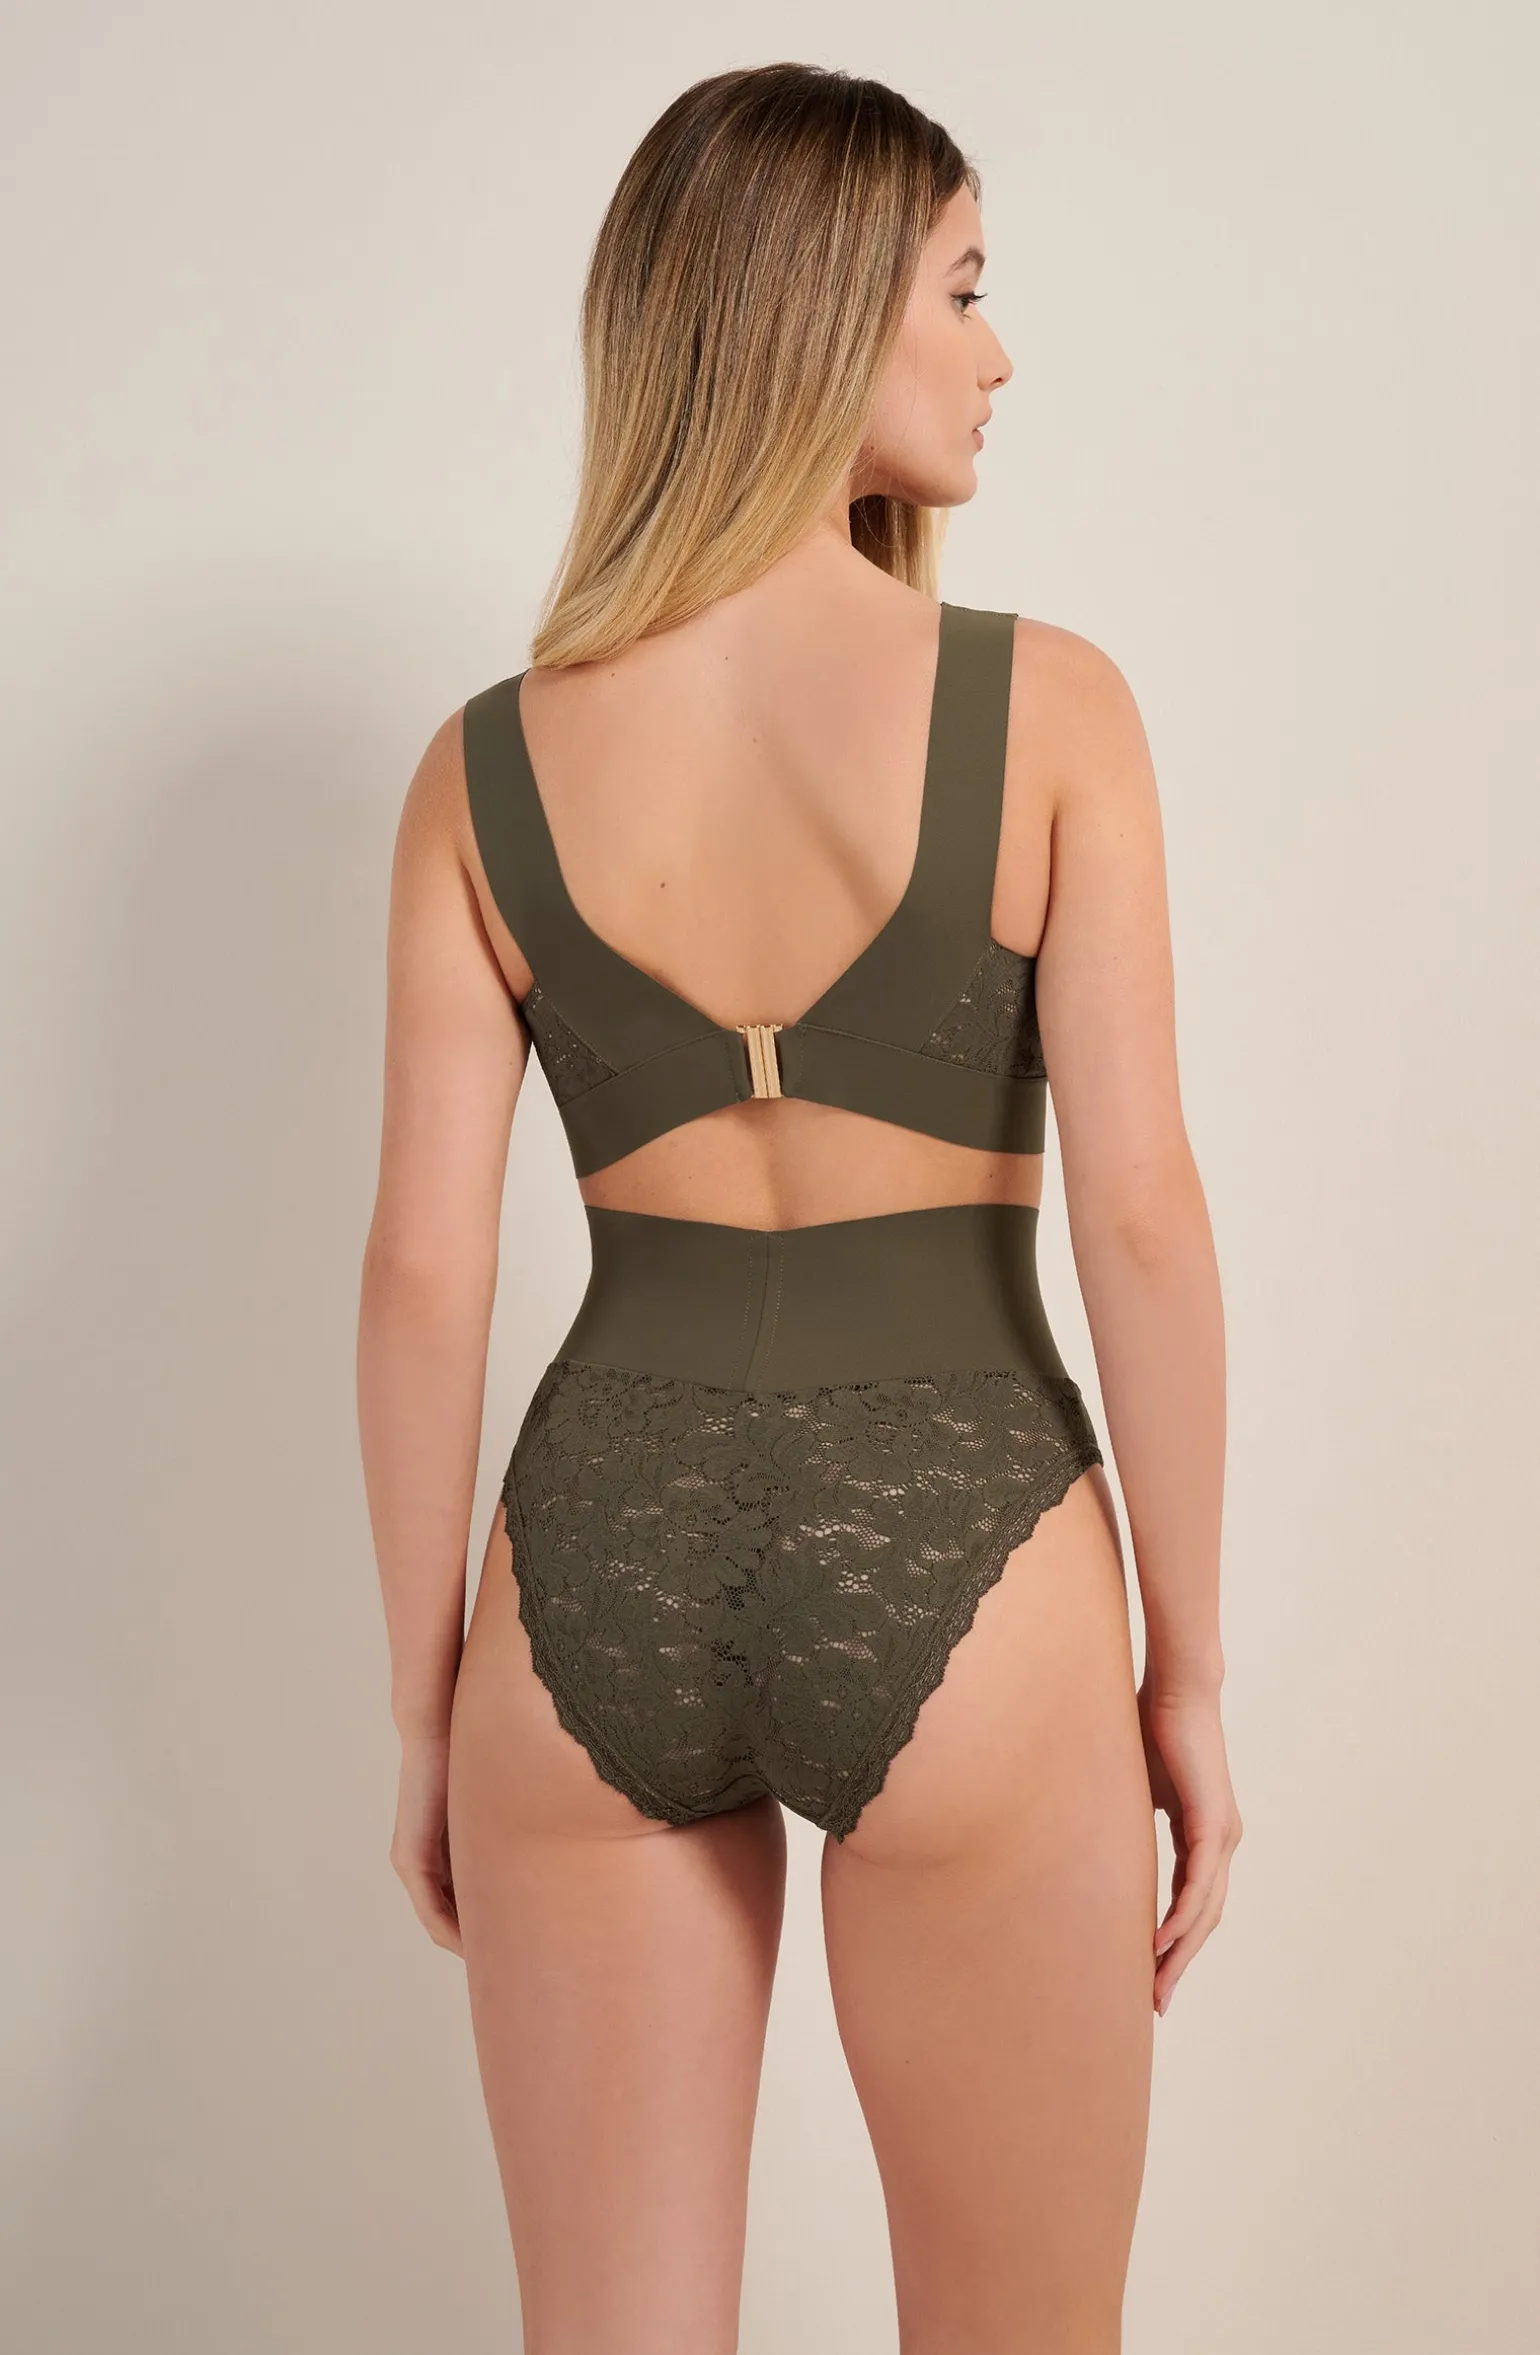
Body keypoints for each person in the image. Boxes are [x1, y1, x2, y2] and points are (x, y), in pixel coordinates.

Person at [357, 60, 1241, 2355]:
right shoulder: (1050, 712)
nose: (995, 351)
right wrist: (1187, 1667)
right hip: (966, 1531)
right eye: (958, 289)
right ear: (819, 312)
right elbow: (1142, 1216)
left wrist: (425, 1701)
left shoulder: (481, 767)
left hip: (588, 1565)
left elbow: (424, 1270)